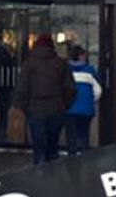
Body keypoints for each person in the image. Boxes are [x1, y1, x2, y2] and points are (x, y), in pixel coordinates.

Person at [12, 34, 75, 164]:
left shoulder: (29, 64)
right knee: (53, 146)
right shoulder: (61, 63)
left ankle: (40, 175)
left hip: (35, 108)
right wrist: (64, 105)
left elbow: (21, 88)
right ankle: (52, 177)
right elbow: (70, 88)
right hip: (56, 107)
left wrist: (25, 107)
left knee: (39, 147)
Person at [65, 45, 102, 154]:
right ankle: (84, 160)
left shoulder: (66, 71)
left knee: (71, 136)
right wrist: (91, 100)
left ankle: (72, 161)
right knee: (84, 135)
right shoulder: (90, 70)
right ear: (81, 56)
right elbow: (98, 90)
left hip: (69, 108)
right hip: (86, 109)